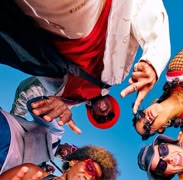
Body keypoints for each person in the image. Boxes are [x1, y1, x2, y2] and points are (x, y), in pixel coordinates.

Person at [0, 0, 170, 121]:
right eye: (110, 113)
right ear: (111, 103)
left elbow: (29, 91)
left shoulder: (67, 101)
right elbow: (138, 5)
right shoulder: (116, 75)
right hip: (83, 21)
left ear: (92, 113)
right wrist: (153, 60)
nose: (104, 112)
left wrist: (16, 118)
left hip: (27, 35)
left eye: (102, 117)